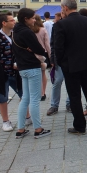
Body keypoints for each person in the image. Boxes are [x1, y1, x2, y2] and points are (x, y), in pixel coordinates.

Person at [54, 0, 87, 134]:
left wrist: (62, 62)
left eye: (62, 8)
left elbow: (58, 48)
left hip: (70, 65)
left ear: (65, 8)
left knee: (75, 96)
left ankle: (80, 126)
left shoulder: (61, 24)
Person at [12, 8, 51, 139]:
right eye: (33, 18)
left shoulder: (15, 31)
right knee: (35, 99)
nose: (35, 20)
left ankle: (21, 129)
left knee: (25, 99)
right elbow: (40, 49)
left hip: (22, 68)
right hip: (32, 67)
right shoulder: (27, 32)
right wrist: (36, 50)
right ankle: (38, 129)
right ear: (26, 19)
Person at [0, 13, 26, 132]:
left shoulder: (15, 35)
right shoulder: (0, 36)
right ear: (4, 23)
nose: (14, 22)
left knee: (23, 94)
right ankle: (6, 121)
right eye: (11, 21)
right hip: (2, 72)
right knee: (2, 97)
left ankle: (27, 116)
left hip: (16, 71)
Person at [46, 12, 71, 116]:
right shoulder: (56, 26)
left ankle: (69, 104)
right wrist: (52, 59)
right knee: (57, 81)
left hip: (70, 59)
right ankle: (54, 105)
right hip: (58, 60)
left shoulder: (71, 24)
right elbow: (53, 44)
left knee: (71, 82)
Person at [31, 14, 51, 101]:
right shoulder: (43, 30)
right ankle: (43, 93)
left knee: (33, 74)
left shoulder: (29, 30)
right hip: (42, 54)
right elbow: (47, 44)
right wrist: (50, 56)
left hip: (31, 54)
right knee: (43, 73)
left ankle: (35, 92)